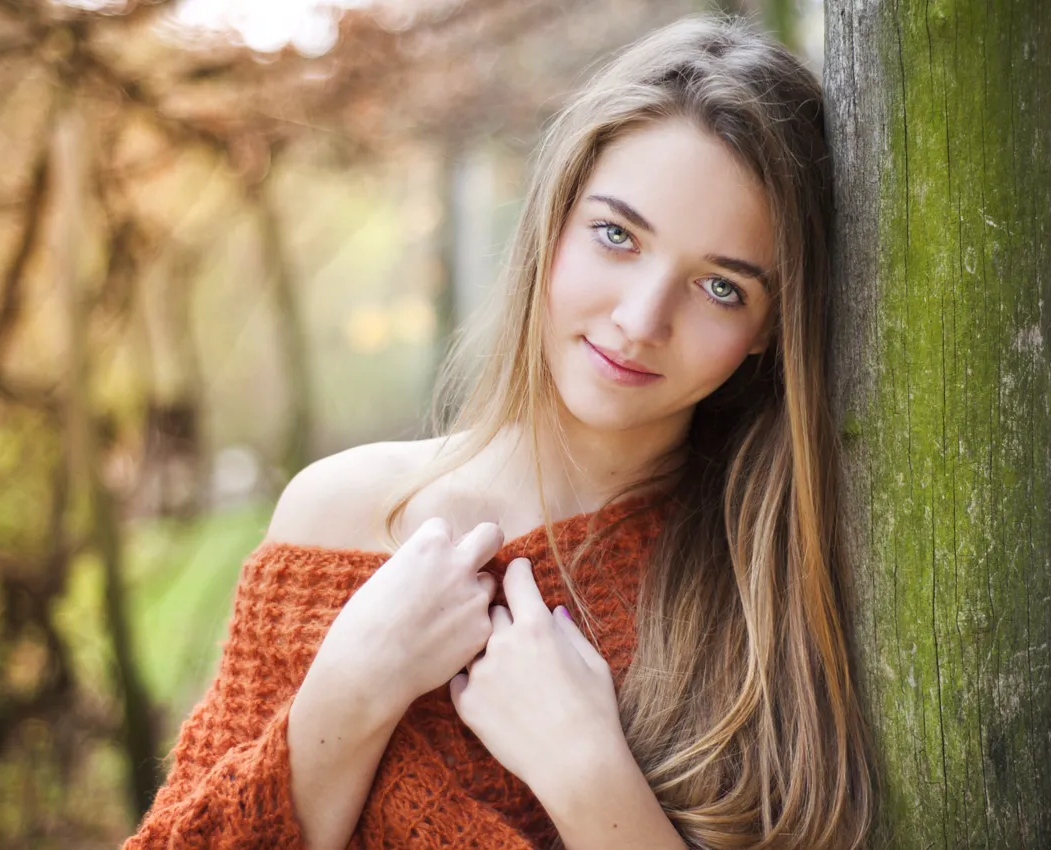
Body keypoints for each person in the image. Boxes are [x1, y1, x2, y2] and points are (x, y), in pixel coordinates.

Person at [125, 12, 875, 849]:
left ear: (772, 328)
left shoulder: (766, 590)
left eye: (721, 288)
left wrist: (588, 776)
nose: (639, 320)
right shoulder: (337, 519)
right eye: (617, 236)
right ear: (552, 222)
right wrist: (346, 692)